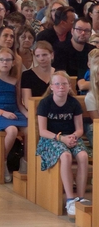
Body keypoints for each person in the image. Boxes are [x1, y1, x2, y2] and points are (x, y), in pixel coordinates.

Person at [36, 71, 89, 217]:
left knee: (83, 156)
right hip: (51, 139)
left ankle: (81, 196)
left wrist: (73, 137)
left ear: (69, 86)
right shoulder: (45, 103)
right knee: (65, 156)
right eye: (57, 84)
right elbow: (42, 131)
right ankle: (70, 199)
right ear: (51, 86)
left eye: (64, 84)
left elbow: (79, 129)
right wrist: (61, 139)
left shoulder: (74, 103)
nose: (61, 87)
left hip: (71, 137)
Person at [0, 49, 27, 183]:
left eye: (8, 60)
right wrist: (4, 113)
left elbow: (19, 103)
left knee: (32, 129)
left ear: (13, 63)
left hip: (14, 112)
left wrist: (28, 115)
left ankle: (25, 161)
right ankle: (2, 161)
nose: (4, 62)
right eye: (1, 60)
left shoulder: (16, 80)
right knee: (12, 130)